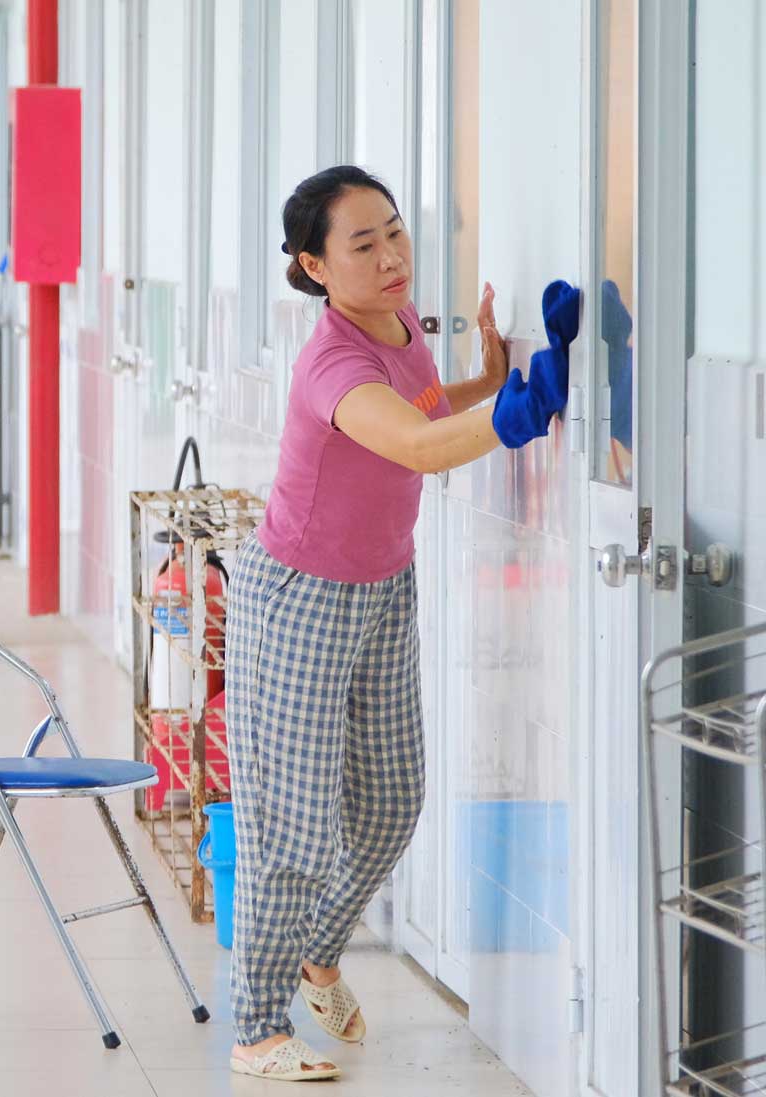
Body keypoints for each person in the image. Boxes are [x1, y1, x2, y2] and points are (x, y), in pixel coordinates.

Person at [224, 165, 575, 1080]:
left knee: (388, 804)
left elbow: (417, 410)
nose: (390, 255)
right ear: (312, 265)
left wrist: (481, 382)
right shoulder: (330, 364)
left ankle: (316, 954)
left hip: (381, 584)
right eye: (362, 243)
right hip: (299, 597)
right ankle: (257, 1025)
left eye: (393, 231)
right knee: (291, 827)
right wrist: (514, 415)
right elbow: (416, 448)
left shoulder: (399, 323)